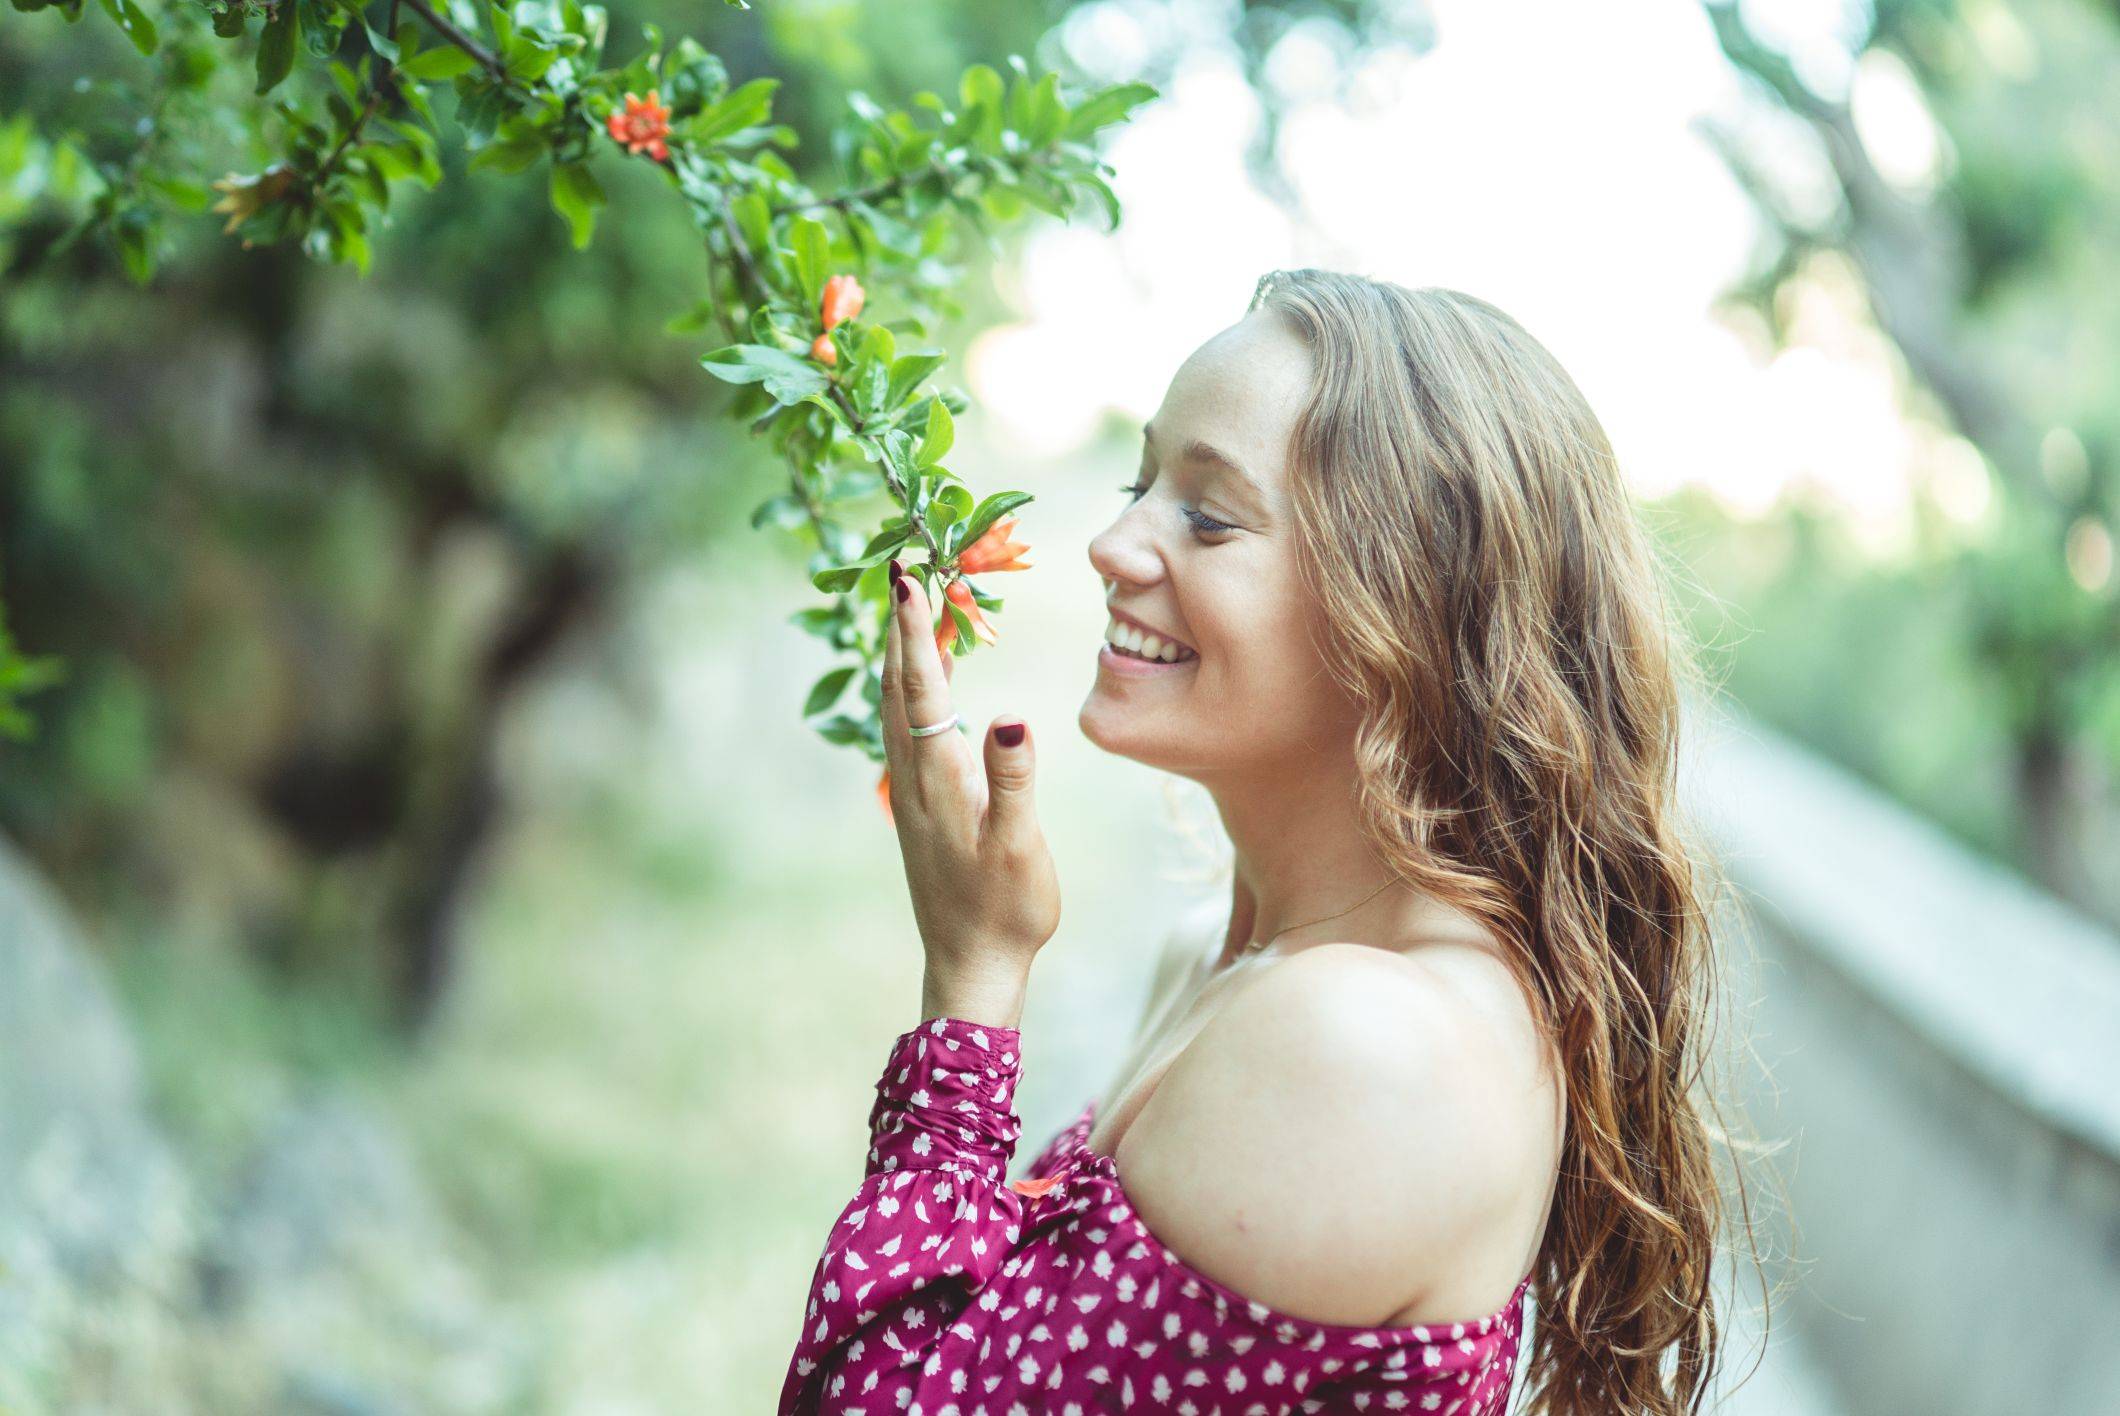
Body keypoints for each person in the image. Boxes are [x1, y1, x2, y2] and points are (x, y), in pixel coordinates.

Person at [778, 269, 1755, 1415]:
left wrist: (971, 977)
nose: (1110, 544)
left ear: (1403, 617)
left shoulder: (1360, 1047)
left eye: (1206, 515)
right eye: (1137, 481)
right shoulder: (1222, 959)